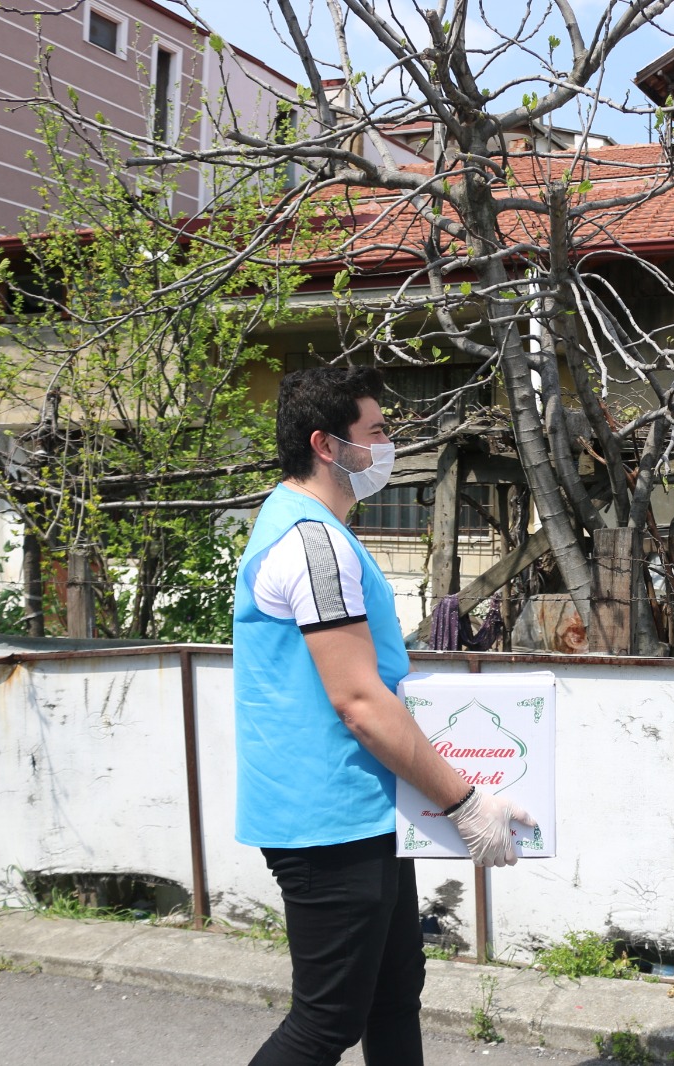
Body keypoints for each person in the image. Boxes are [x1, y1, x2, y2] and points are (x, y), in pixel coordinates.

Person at [233, 366, 531, 1066]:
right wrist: (464, 802)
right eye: (377, 432)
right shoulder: (313, 543)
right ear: (327, 445)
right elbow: (360, 702)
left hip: (364, 812)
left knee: (395, 995)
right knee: (326, 1023)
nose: (389, 445)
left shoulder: (316, 531)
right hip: (329, 821)